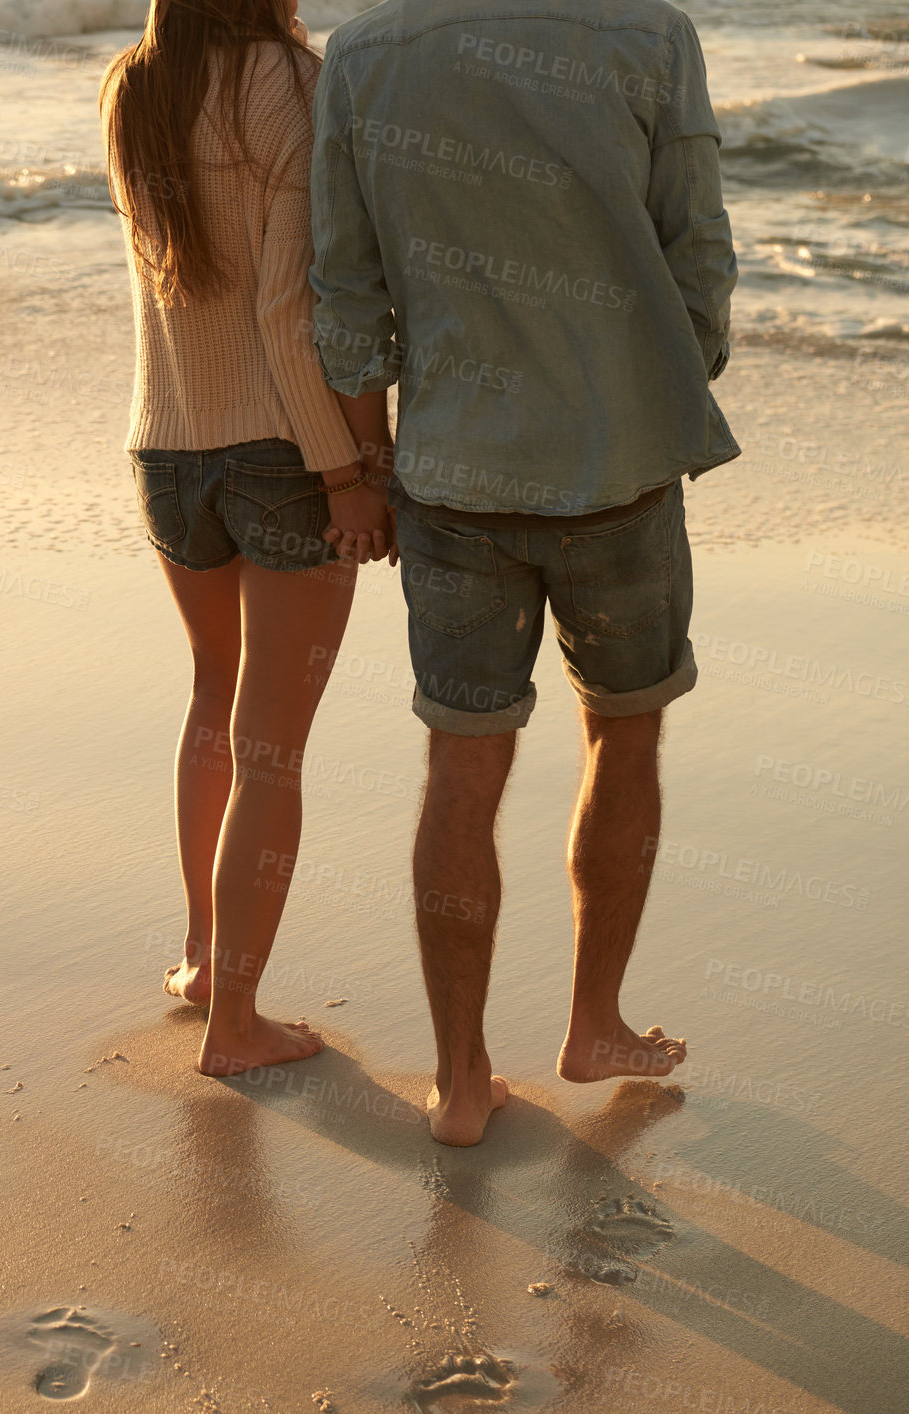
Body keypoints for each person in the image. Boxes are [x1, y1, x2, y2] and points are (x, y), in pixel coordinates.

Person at [310, 0, 739, 1143]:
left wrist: (367, 458)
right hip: (624, 467)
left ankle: (458, 1081)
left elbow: (344, 294)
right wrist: (659, 377)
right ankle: (593, 1021)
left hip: (451, 472)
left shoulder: (363, 53)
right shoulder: (648, 35)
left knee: (461, 761)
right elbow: (697, 251)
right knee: (626, 729)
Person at [100, 0, 394, 1076]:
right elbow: (287, 308)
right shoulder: (297, 83)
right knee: (271, 746)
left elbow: (174, 280)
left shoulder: (134, 82)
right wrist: (348, 472)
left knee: (211, 696)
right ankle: (235, 1022)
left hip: (163, 448)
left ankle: (198, 957)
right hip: (280, 453)